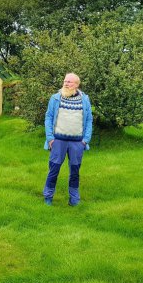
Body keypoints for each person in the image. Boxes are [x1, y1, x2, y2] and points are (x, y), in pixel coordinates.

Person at [43, 73, 93, 206]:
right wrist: (50, 138)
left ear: (77, 84)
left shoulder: (85, 100)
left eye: (69, 82)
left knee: (75, 172)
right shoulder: (55, 98)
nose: (66, 83)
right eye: (65, 81)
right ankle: (48, 197)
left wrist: (85, 140)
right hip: (58, 141)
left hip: (77, 143)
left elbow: (89, 120)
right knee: (54, 169)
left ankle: (74, 200)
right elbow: (48, 117)